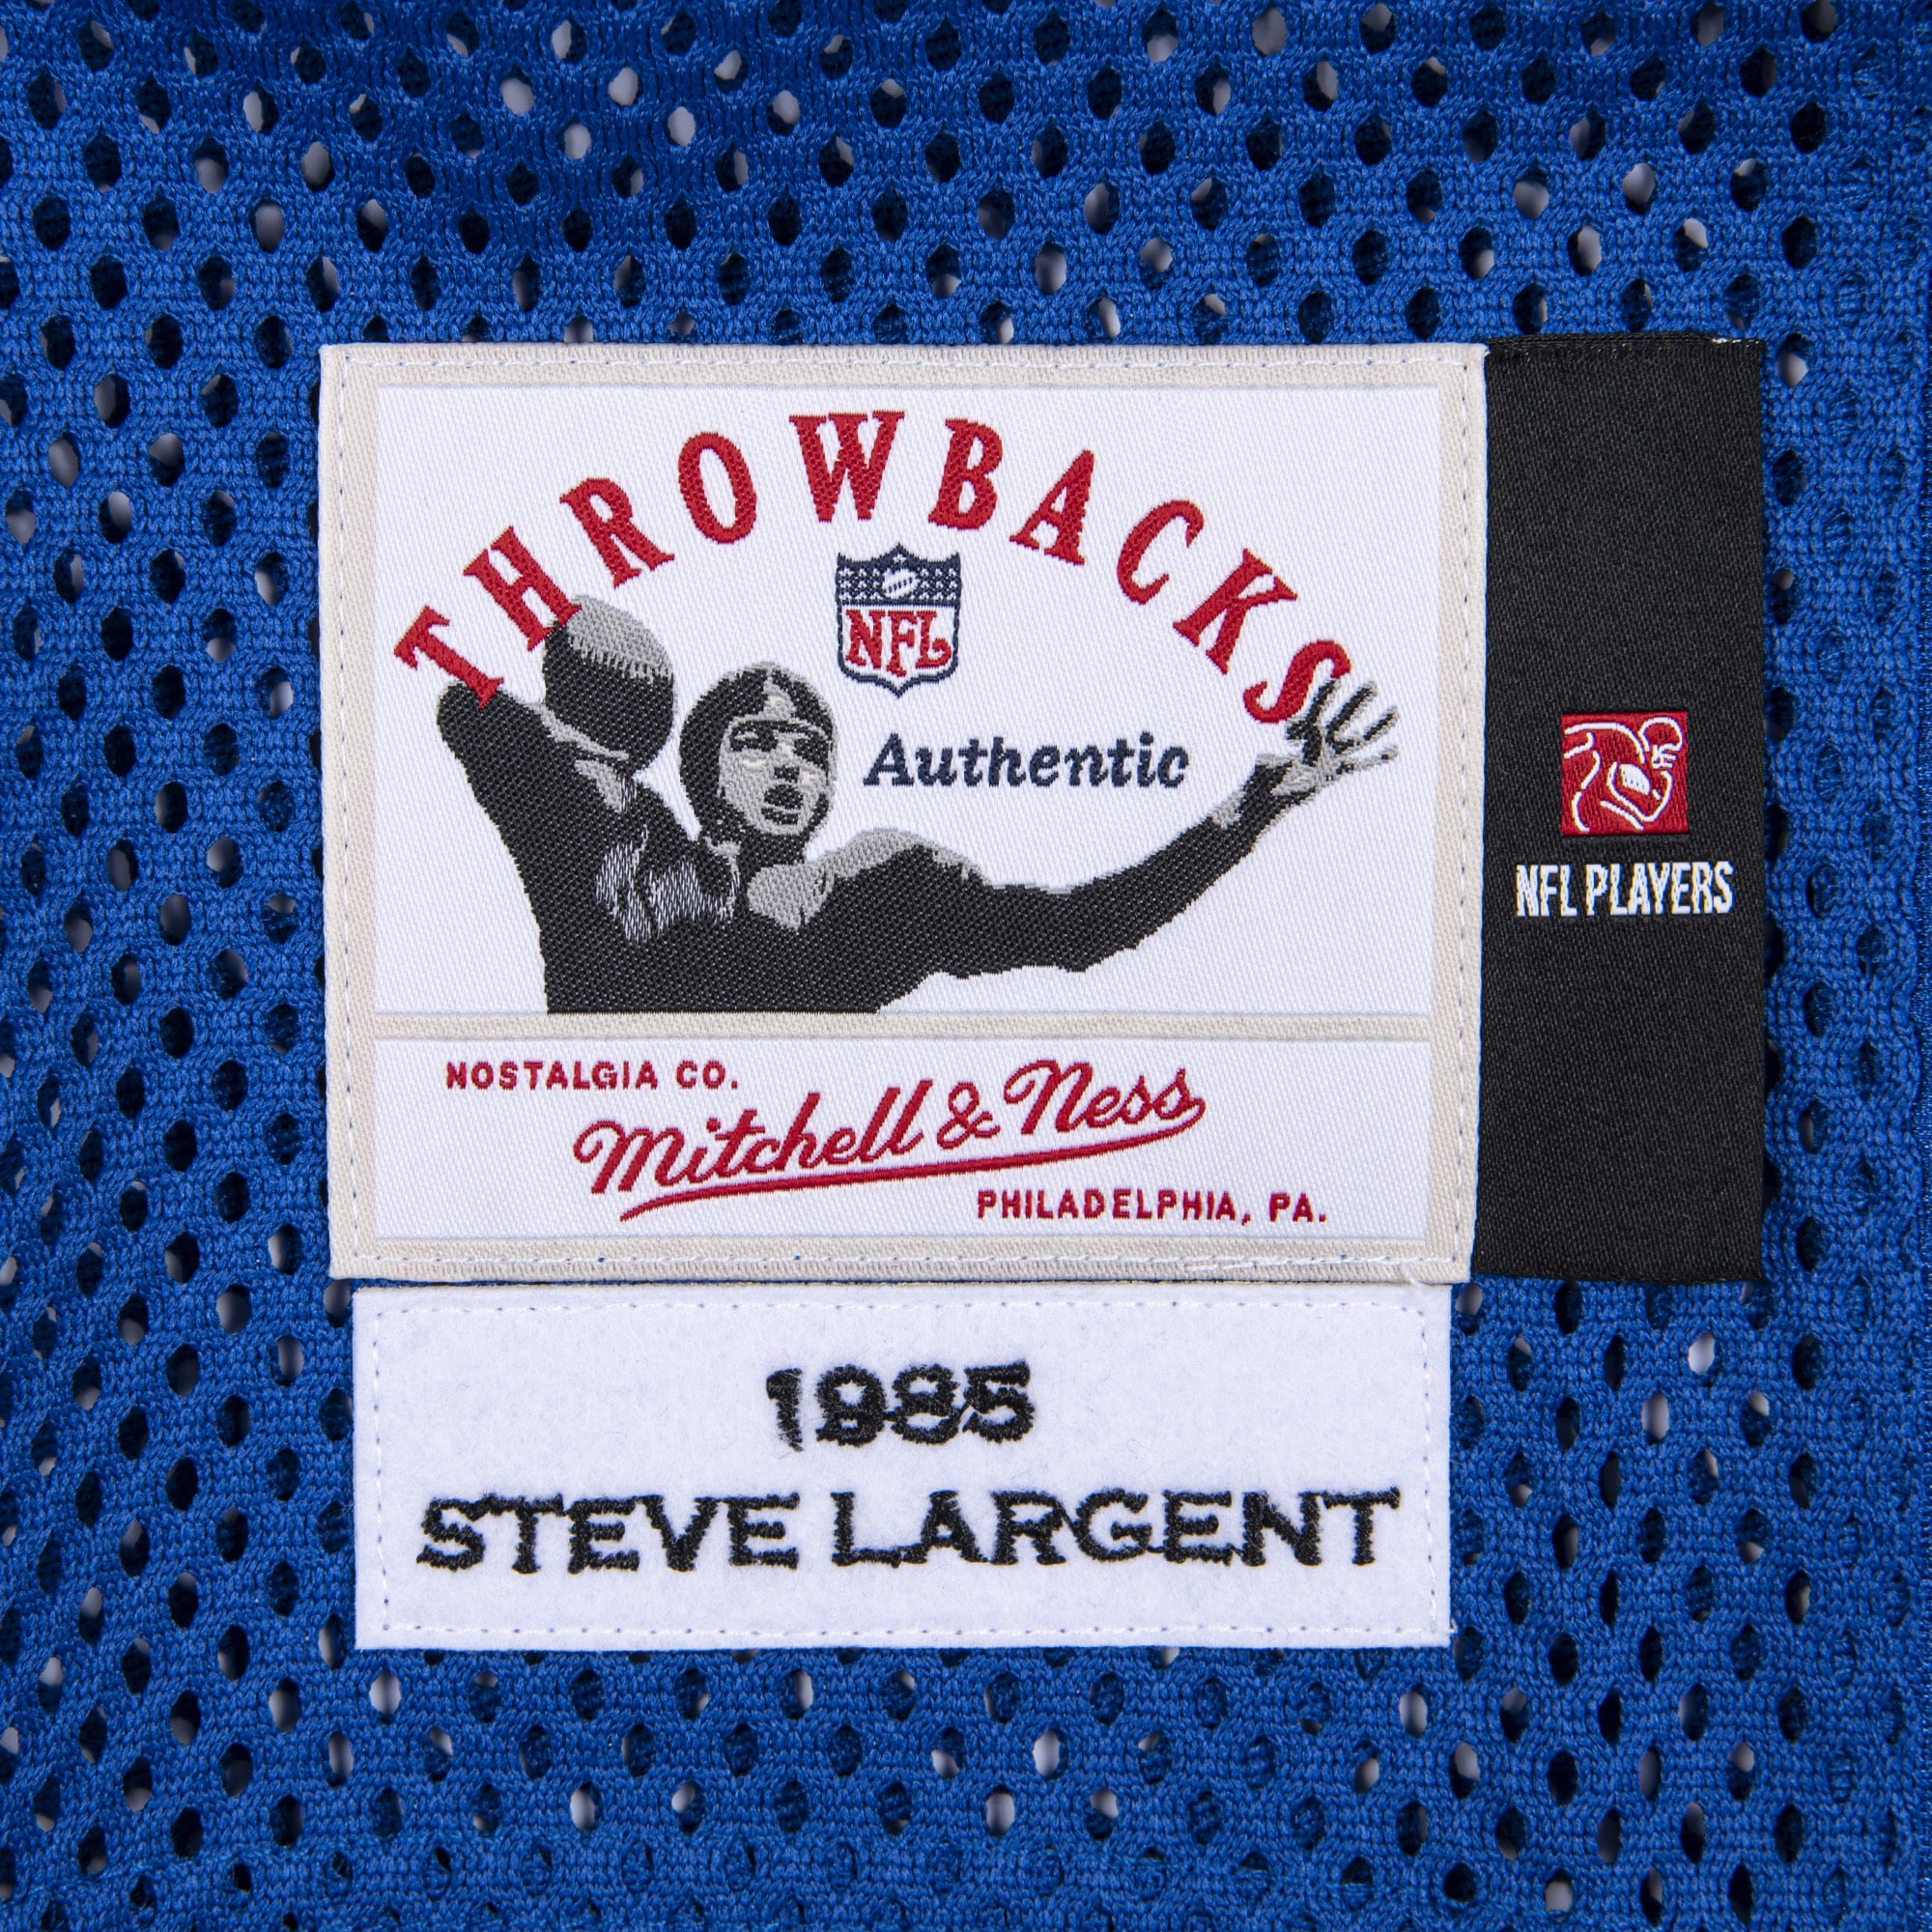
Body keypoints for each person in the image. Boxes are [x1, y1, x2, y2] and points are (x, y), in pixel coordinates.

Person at [550, 660, 1399, 1013]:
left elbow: (1082, 929)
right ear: (703, 768)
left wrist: (1249, 810)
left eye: (808, 751)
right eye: (757, 742)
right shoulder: (634, 860)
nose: (788, 766)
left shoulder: (886, 889)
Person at [436, 596, 736, 1012]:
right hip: (599, 997)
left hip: (651, 999)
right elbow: (463, 708)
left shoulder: (639, 805)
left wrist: (711, 871)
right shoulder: (539, 774)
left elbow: (702, 902)